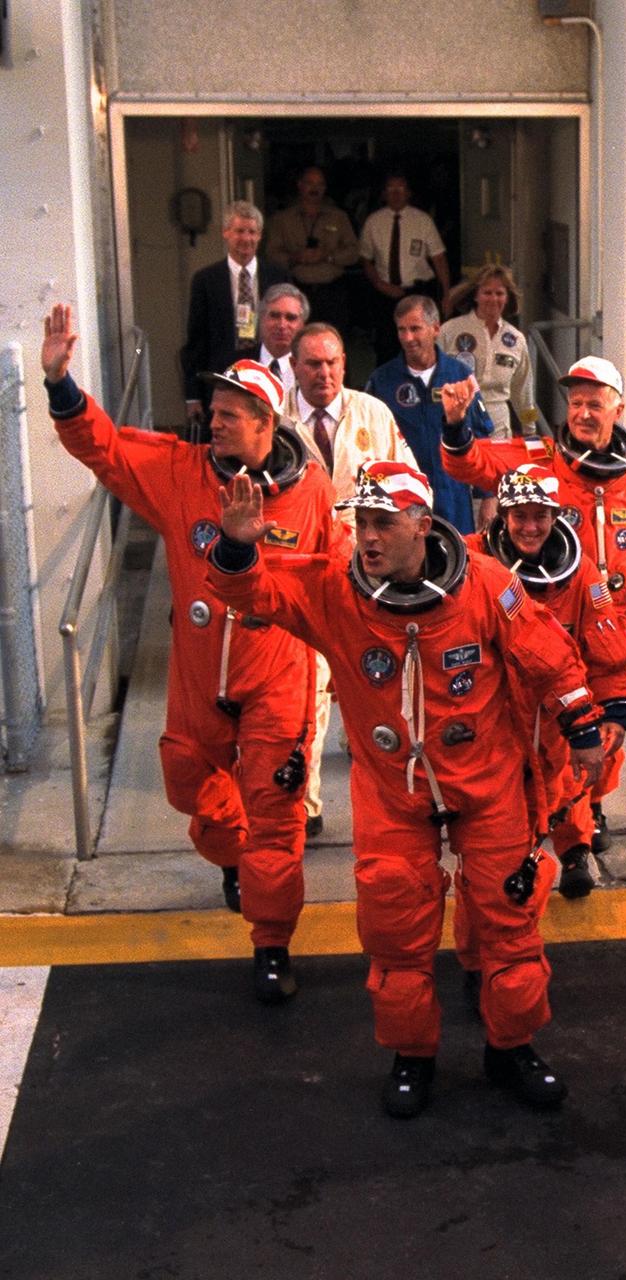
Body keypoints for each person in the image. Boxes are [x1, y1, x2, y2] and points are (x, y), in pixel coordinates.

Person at [206, 458, 605, 1118]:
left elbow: (549, 653)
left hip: (488, 780)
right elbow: (251, 593)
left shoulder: (485, 583)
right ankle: (411, 1055)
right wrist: (238, 545)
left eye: (383, 523)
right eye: (361, 522)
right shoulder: (337, 588)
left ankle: (512, 1047)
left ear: (421, 525)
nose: (367, 536)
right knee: (395, 928)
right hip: (393, 790)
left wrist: (583, 722)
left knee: (510, 919)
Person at [43, 303, 343, 1004]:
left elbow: (331, 587)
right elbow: (107, 449)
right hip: (196, 675)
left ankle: (270, 944)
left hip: (277, 679)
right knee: (186, 782)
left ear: (268, 425)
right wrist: (61, 385)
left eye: (232, 413)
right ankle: (236, 854)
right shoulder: (181, 473)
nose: (215, 420)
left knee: (277, 817)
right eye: (214, 410)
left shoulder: (311, 493)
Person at [440, 355, 626, 853]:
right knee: (549, 728)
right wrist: (455, 424)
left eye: (594, 403)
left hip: (618, 622)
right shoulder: (541, 459)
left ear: (617, 408)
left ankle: (589, 807)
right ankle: (550, 814)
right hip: (554, 619)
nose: (583, 413)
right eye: (575, 402)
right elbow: (474, 464)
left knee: (605, 727)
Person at [461, 463, 626, 903]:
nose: (530, 526)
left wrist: (614, 710)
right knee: (506, 797)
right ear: (502, 515)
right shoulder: (472, 560)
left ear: (556, 515)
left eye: (540, 515)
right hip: (496, 705)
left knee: (568, 776)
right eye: (520, 515)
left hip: (561, 702)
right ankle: (516, 863)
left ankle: (575, 850)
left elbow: (607, 642)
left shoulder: (579, 573)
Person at [283, 321, 419, 838]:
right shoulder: (275, 422)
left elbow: (409, 483)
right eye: (313, 364)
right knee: (309, 685)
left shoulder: (373, 413)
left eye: (333, 363)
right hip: (304, 566)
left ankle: (394, 784)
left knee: (377, 676)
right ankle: (307, 804)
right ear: (295, 367)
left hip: (368, 559)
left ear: (345, 364)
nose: (324, 373)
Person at [365, 295, 494, 534]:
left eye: (415, 329)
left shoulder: (460, 375)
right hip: (403, 497)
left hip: (453, 496)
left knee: (460, 560)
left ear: (435, 329)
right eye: (401, 330)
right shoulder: (382, 381)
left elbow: (481, 435)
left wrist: (488, 496)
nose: (408, 338)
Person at [180, 200, 287, 441]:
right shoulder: (206, 280)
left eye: (252, 232)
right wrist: (192, 396)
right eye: (239, 231)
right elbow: (195, 341)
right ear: (225, 233)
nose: (246, 238)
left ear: (260, 236)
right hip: (223, 379)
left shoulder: (278, 276)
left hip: (267, 378)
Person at [359, 172, 451, 362]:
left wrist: (447, 294)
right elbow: (366, 259)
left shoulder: (422, 220)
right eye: (391, 189)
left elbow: (439, 259)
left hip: (418, 291)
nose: (396, 194)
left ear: (408, 193)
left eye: (400, 189)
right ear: (384, 194)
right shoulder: (373, 222)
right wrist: (378, 283)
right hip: (385, 293)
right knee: (386, 346)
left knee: (421, 344)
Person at [440, 264, 537, 442]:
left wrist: (531, 432)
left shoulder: (516, 339)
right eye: (487, 292)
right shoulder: (449, 331)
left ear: (507, 298)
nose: (493, 299)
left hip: (499, 429)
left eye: (499, 293)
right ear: (476, 295)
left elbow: (523, 392)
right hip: (459, 423)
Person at [264, 166, 358, 334]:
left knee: (332, 341)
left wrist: (328, 256)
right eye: (309, 183)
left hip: (332, 293)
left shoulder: (339, 217)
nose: (314, 188)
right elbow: (271, 255)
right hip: (297, 291)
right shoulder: (282, 219)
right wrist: (295, 257)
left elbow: (353, 252)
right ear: (300, 185)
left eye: (320, 184)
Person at [256, 283, 310, 397]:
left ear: (302, 326)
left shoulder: (314, 367)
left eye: (291, 318)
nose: (282, 325)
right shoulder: (234, 365)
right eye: (274, 316)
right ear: (261, 319)